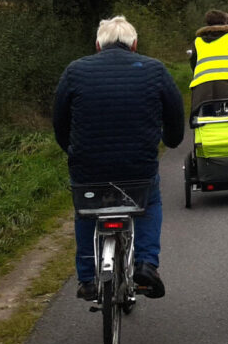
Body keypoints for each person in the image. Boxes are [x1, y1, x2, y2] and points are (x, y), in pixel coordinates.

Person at [53, 16, 184, 301]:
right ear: (134, 44)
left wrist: (72, 150)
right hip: (138, 165)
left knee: (86, 209)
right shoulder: (155, 69)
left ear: (98, 45)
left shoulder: (75, 71)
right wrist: (171, 140)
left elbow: (59, 122)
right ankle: (147, 265)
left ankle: (87, 278)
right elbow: (174, 115)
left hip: (88, 166)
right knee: (149, 203)